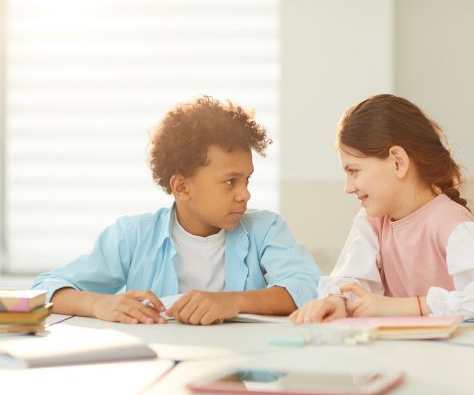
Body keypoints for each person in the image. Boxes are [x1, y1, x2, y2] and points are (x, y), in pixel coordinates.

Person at [32, 96, 320, 325]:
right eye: (230, 181)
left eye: (247, 180)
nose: (244, 193)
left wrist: (232, 301)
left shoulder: (266, 229)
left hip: (241, 364)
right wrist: (100, 304)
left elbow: (305, 289)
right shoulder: (132, 236)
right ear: (182, 187)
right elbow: (45, 289)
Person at [290, 94, 474, 324]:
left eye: (354, 171)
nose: (348, 187)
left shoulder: (449, 224)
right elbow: (351, 280)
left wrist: (416, 306)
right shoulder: (372, 222)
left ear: (398, 162)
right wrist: (338, 302)